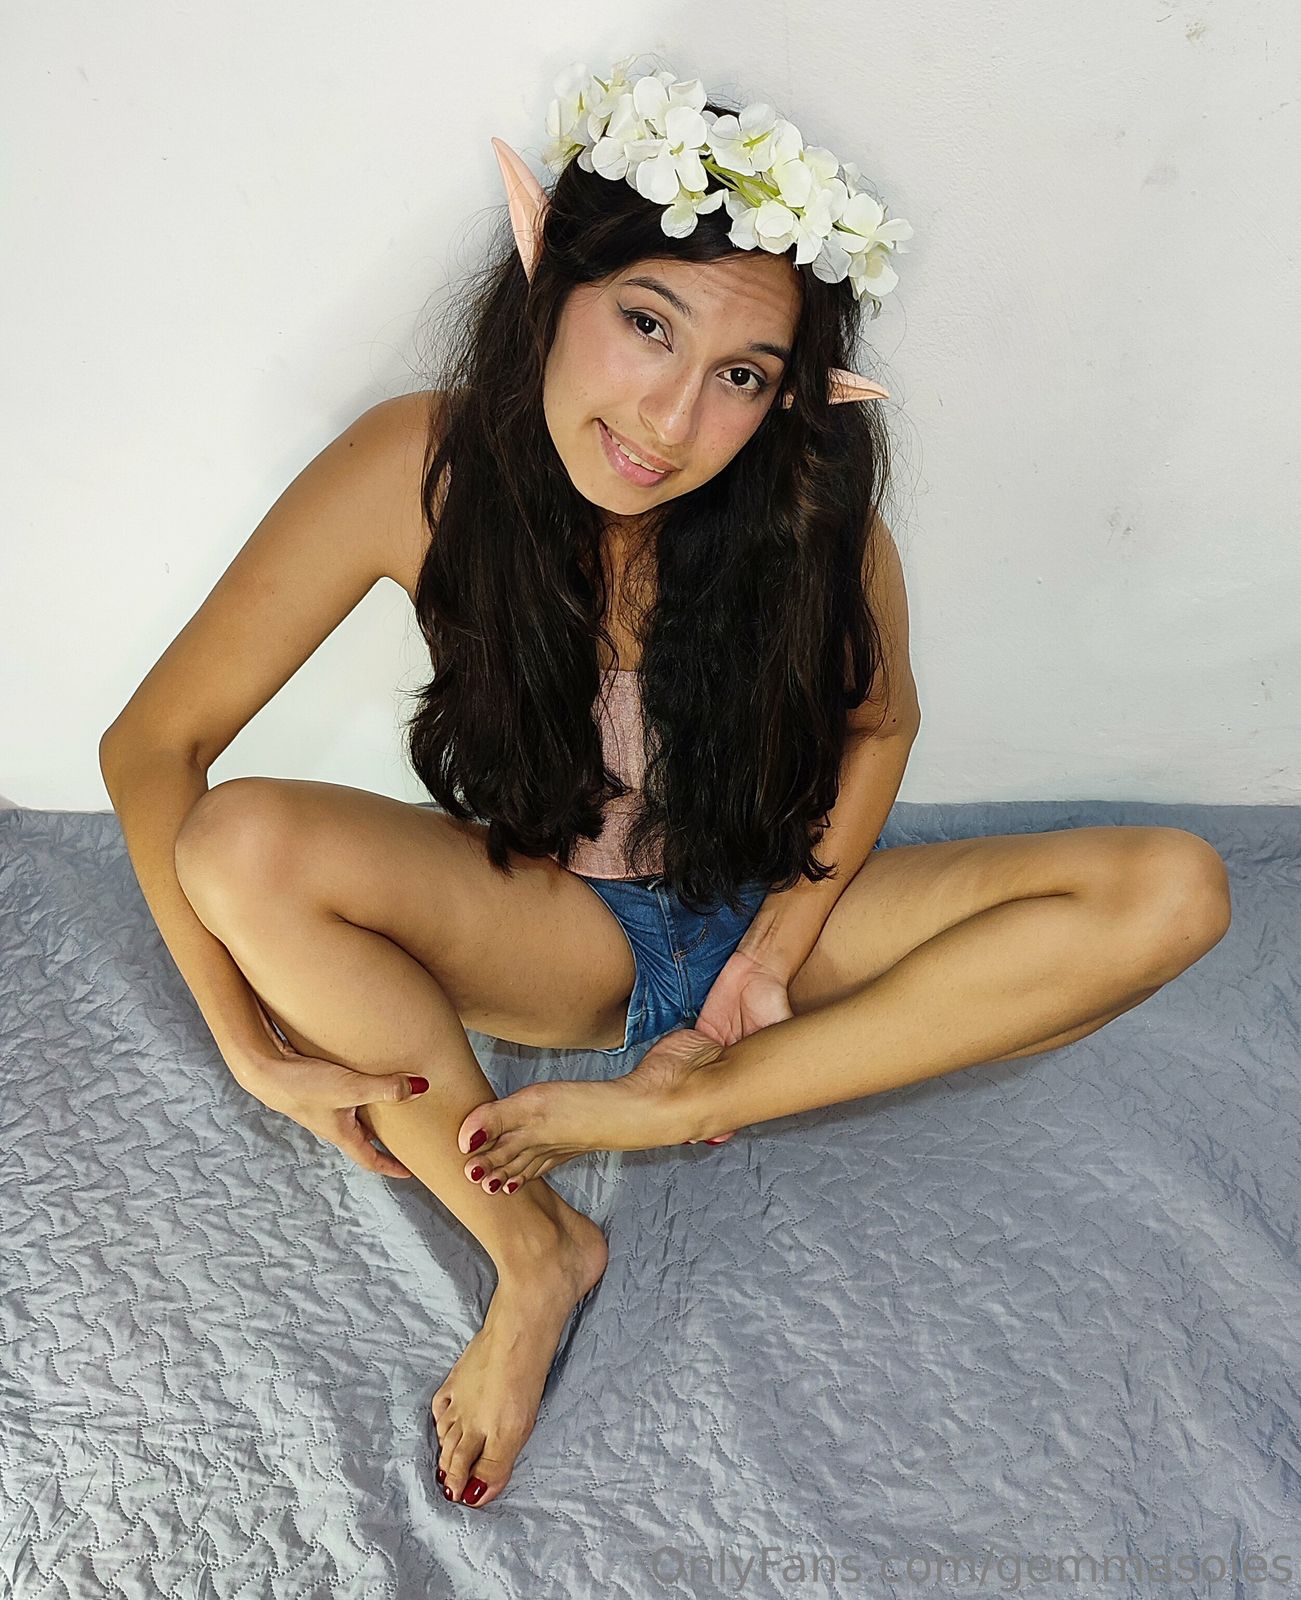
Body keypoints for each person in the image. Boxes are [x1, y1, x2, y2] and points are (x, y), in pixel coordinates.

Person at [99, 55, 1232, 1513]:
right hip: (557, 929)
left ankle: (660, 1108)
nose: (671, 419)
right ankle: (534, 1252)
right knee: (238, 843)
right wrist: (247, 1046)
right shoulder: (419, 465)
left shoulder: (812, 508)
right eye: (648, 324)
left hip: (780, 920)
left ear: (785, 397)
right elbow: (155, 747)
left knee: (1175, 889)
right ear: (551, 289)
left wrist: (768, 963)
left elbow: (881, 729)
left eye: (741, 376)